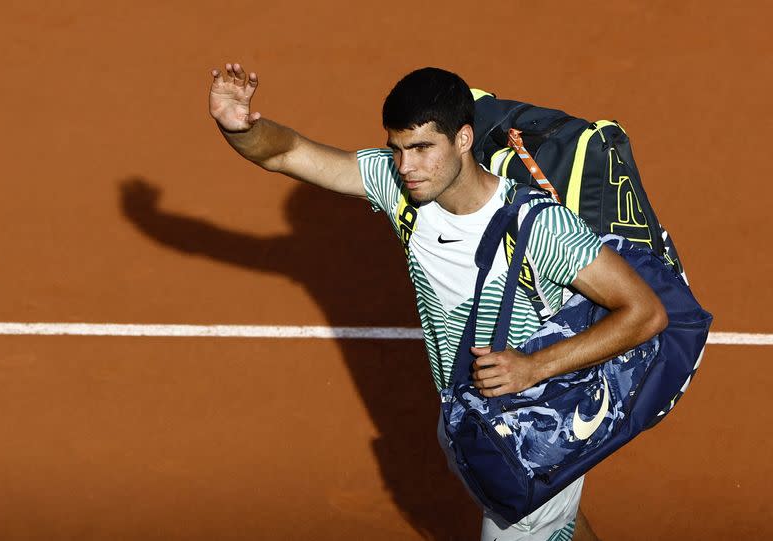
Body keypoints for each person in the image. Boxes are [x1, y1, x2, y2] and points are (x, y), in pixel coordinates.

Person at [208, 63, 668, 541]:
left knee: (531, 523)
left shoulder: (538, 226)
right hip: (471, 414)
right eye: (398, 149)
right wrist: (238, 126)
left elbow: (644, 312)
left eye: (423, 148)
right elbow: (287, 153)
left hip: (535, 428)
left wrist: (534, 368)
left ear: (464, 139)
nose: (407, 166)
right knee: (557, 527)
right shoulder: (401, 190)